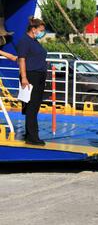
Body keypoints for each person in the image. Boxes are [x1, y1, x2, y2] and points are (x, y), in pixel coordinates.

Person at [16, 16, 48, 146]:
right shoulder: (25, 41)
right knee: (31, 107)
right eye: (41, 30)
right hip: (31, 76)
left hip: (39, 75)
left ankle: (30, 134)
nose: (42, 33)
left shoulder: (35, 41)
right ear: (33, 29)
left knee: (35, 106)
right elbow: (22, 59)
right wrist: (24, 77)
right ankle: (32, 137)